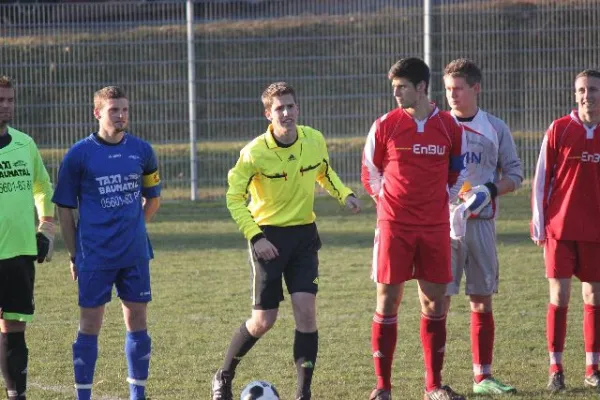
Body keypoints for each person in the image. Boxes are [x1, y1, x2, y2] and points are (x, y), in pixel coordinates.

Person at [211, 81, 361, 400]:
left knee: (306, 312)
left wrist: (344, 194)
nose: (286, 112)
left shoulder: (314, 139)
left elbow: (324, 172)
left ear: (298, 109)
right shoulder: (254, 153)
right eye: (279, 108)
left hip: (304, 235)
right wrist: (256, 237)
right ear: (268, 114)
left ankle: (303, 393)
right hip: (269, 238)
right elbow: (234, 198)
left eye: (291, 106)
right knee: (264, 320)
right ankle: (223, 375)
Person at [361, 57, 466, 400]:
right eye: (394, 87)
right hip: (394, 225)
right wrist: (388, 202)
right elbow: (369, 171)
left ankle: (433, 386)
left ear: (421, 87)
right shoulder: (385, 125)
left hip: (435, 226)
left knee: (435, 302)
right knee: (388, 299)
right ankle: (383, 388)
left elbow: (456, 173)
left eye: (402, 87)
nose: (396, 93)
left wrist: (439, 202)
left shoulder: (450, 127)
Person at [52, 86, 161, 400]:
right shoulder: (79, 155)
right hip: (95, 255)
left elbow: (153, 199)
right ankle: (83, 396)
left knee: (137, 319)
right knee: (90, 324)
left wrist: (134, 228)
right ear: (97, 113)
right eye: (114, 110)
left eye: (125, 109)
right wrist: (75, 253)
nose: (121, 115)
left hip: (134, 253)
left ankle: (137, 395)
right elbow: (65, 209)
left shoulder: (142, 151)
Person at [442, 59, 522, 395]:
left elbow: (515, 175)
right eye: (447, 89)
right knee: (437, 303)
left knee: (481, 300)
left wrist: (488, 191)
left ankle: (482, 377)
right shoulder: (440, 126)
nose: (452, 95)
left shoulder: (495, 127)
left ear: (476, 88)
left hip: (482, 226)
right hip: (444, 227)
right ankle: (435, 380)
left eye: (458, 88)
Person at [531, 69, 600, 394]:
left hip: (596, 231)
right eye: (582, 90)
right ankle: (556, 368)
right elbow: (542, 178)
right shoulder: (559, 129)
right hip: (560, 228)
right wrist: (538, 222)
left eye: (594, 90)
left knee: (594, 296)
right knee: (559, 297)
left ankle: (592, 368)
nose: (588, 95)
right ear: (576, 95)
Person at [0, 75, 55, 400]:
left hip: (20, 252)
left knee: (14, 329)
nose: (6, 107)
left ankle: (16, 394)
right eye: (0, 101)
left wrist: (46, 226)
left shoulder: (25, 144)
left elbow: (42, 186)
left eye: (10, 100)